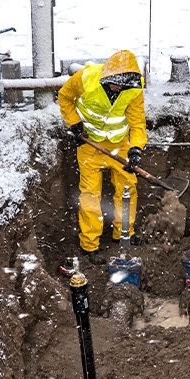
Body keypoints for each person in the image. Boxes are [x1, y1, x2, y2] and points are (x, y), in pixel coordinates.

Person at [58, 50, 147, 263]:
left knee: (127, 189)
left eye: (122, 85)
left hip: (120, 147)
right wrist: (74, 124)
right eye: (114, 83)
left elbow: (137, 123)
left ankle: (124, 232)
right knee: (90, 195)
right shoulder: (86, 78)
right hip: (90, 145)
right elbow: (64, 97)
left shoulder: (134, 90)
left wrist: (136, 149)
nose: (118, 88)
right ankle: (89, 244)